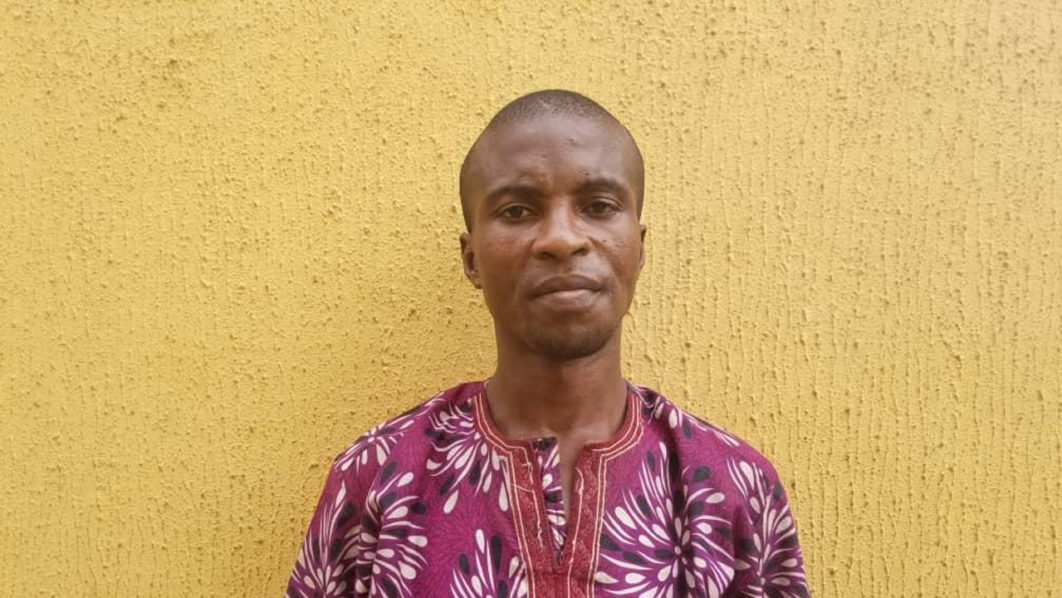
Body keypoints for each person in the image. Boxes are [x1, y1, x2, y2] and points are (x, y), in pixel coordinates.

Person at [284, 90, 809, 598]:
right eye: (517, 211)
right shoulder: (377, 477)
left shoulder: (730, 486)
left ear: (639, 248)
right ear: (471, 259)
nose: (562, 238)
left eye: (599, 206)